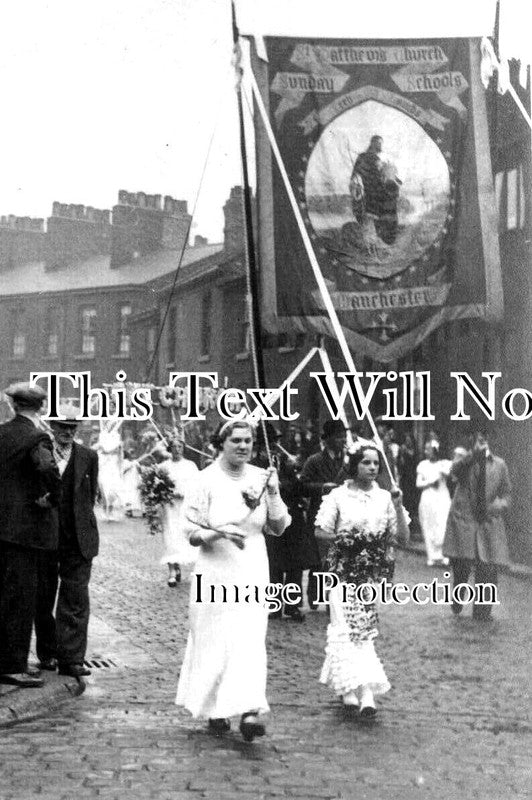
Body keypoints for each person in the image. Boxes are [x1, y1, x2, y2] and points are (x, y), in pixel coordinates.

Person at [175, 419, 290, 741]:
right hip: (215, 567)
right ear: (220, 443)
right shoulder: (204, 479)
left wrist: (274, 491)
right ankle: (216, 707)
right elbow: (190, 533)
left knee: (250, 636)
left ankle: (251, 710)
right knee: (214, 637)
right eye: (236, 440)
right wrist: (220, 532)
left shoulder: (261, 476)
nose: (243, 446)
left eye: (248, 441)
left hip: (252, 564)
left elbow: (278, 527)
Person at [315, 445, 409, 717]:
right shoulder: (338, 496)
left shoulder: (385, 498)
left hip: (370, 573)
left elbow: (401, 538)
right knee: (344, 626)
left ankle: (356, 689)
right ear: (354, 465)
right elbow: (321, 531)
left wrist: (399, 506)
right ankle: (356, 691)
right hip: (341, 571)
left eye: (376, 463)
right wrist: (346, 541)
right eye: (366, 462)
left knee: (363, 630)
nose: (372, 467)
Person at [0, 383, 60, 688]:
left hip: (2, 528)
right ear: (40, 408)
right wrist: (52, 497)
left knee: (3, 596)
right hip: (24, 533)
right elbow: (48, 469)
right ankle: (13, 665)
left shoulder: (1, 433)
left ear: (13, 406)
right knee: (21, 599)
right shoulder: (37, 437)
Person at [34, 405, 99, 678]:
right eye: (62, 427)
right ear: (52, 426)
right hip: (46, 536)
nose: (68, 432)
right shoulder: (40, 451)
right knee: (43, 595)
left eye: (72, 427)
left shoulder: (88, 456)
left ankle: (71, 659)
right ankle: (48, 652)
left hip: (78, 538)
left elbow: (90, 492)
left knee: (75, 597)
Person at [443, 428, 511, 621]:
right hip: (465, 521)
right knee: (461, 567)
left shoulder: (499, 465)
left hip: (488, 522)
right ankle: (458, 597)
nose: (483, 439)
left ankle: (482, 613)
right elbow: (454, 471)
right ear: (472, 440)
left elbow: (507, 494)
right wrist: (473, 455)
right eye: (479, 436)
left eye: (487, 436)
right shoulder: (465, 462)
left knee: (488, 570)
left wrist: (497, 506)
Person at [252, 424, 312, 622]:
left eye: (277, 441)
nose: (276, 445)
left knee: (295, 564)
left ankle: (293, 605)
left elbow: (298, 488)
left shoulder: (285, 461)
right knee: (274, 563)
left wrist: (296, 472)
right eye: (272, 442)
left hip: (292, 517)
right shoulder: (254, 465)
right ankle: (274, 604)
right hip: (271, 518)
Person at [300, 420, 348, 610]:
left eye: (343, 436)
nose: (342, 440)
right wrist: (322, 487)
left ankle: (333, 600)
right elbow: (302, 486)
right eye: (338, 437)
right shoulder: (314, 461)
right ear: (327, 440)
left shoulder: (348, 461)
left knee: (338, 558)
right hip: (319, 514)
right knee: (317, 558)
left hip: (342, 516)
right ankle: (314, 593)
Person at [158, 435, 199, 586]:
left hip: (184, 506)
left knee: (183, 535)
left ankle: (180, 564)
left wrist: (186, 494)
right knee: (170, 536)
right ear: (170, 449)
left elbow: (197, 486)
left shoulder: (190, 466)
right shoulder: (163, 467)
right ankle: (172, 571)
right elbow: (157, 488)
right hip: (169, 507)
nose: (177, 450)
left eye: (180, 447)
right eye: (174, 447)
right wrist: (165, 494)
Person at [416, 441, 452, 566]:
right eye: (425, 449)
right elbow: (419, 484)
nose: (426, 452)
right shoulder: (423, 465)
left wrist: (443, 470)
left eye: (429, 449)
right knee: (429, 525)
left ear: (435, 451)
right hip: (428, 497)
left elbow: (450, 475)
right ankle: (431, 555)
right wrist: (431, 481)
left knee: (442, 524)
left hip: (442, 497)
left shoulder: (444, 463)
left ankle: (441, 554)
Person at [93, 421, 124, 521]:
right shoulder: (102, 435)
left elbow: (116, 451)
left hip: (113, 464)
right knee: (103, 487)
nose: (110, 426)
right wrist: (106, 448)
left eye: (112, 424)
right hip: (103, 464)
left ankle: (110, 512)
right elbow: (105, 448)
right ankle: (104, 511)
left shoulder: (116, 436)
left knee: (112, 489)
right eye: (108, 424)